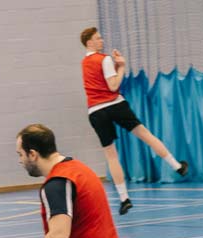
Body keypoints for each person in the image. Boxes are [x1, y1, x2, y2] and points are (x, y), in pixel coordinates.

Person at [80, 27, 188, 215]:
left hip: (96, 111)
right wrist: (120, 66)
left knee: (111, 156)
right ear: (88, 42)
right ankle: (176, 166)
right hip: (115, 104)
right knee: (146, 135)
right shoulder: (104, 59)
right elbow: (113, 86)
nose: (101, 40)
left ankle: (124, 199)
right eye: (97, 38)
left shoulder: (84, 63)